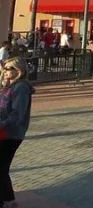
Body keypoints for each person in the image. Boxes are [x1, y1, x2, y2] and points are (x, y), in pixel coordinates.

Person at [0, 57, 33, 207]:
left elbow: (17, 113)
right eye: (5, 68)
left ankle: (8, 200)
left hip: (11, 134)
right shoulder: (10, 86)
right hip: (5, 131)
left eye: (9, 69)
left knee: (1, 167)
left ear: (18, 70)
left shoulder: (21, 87)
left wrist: (2, 124)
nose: (5, 71)